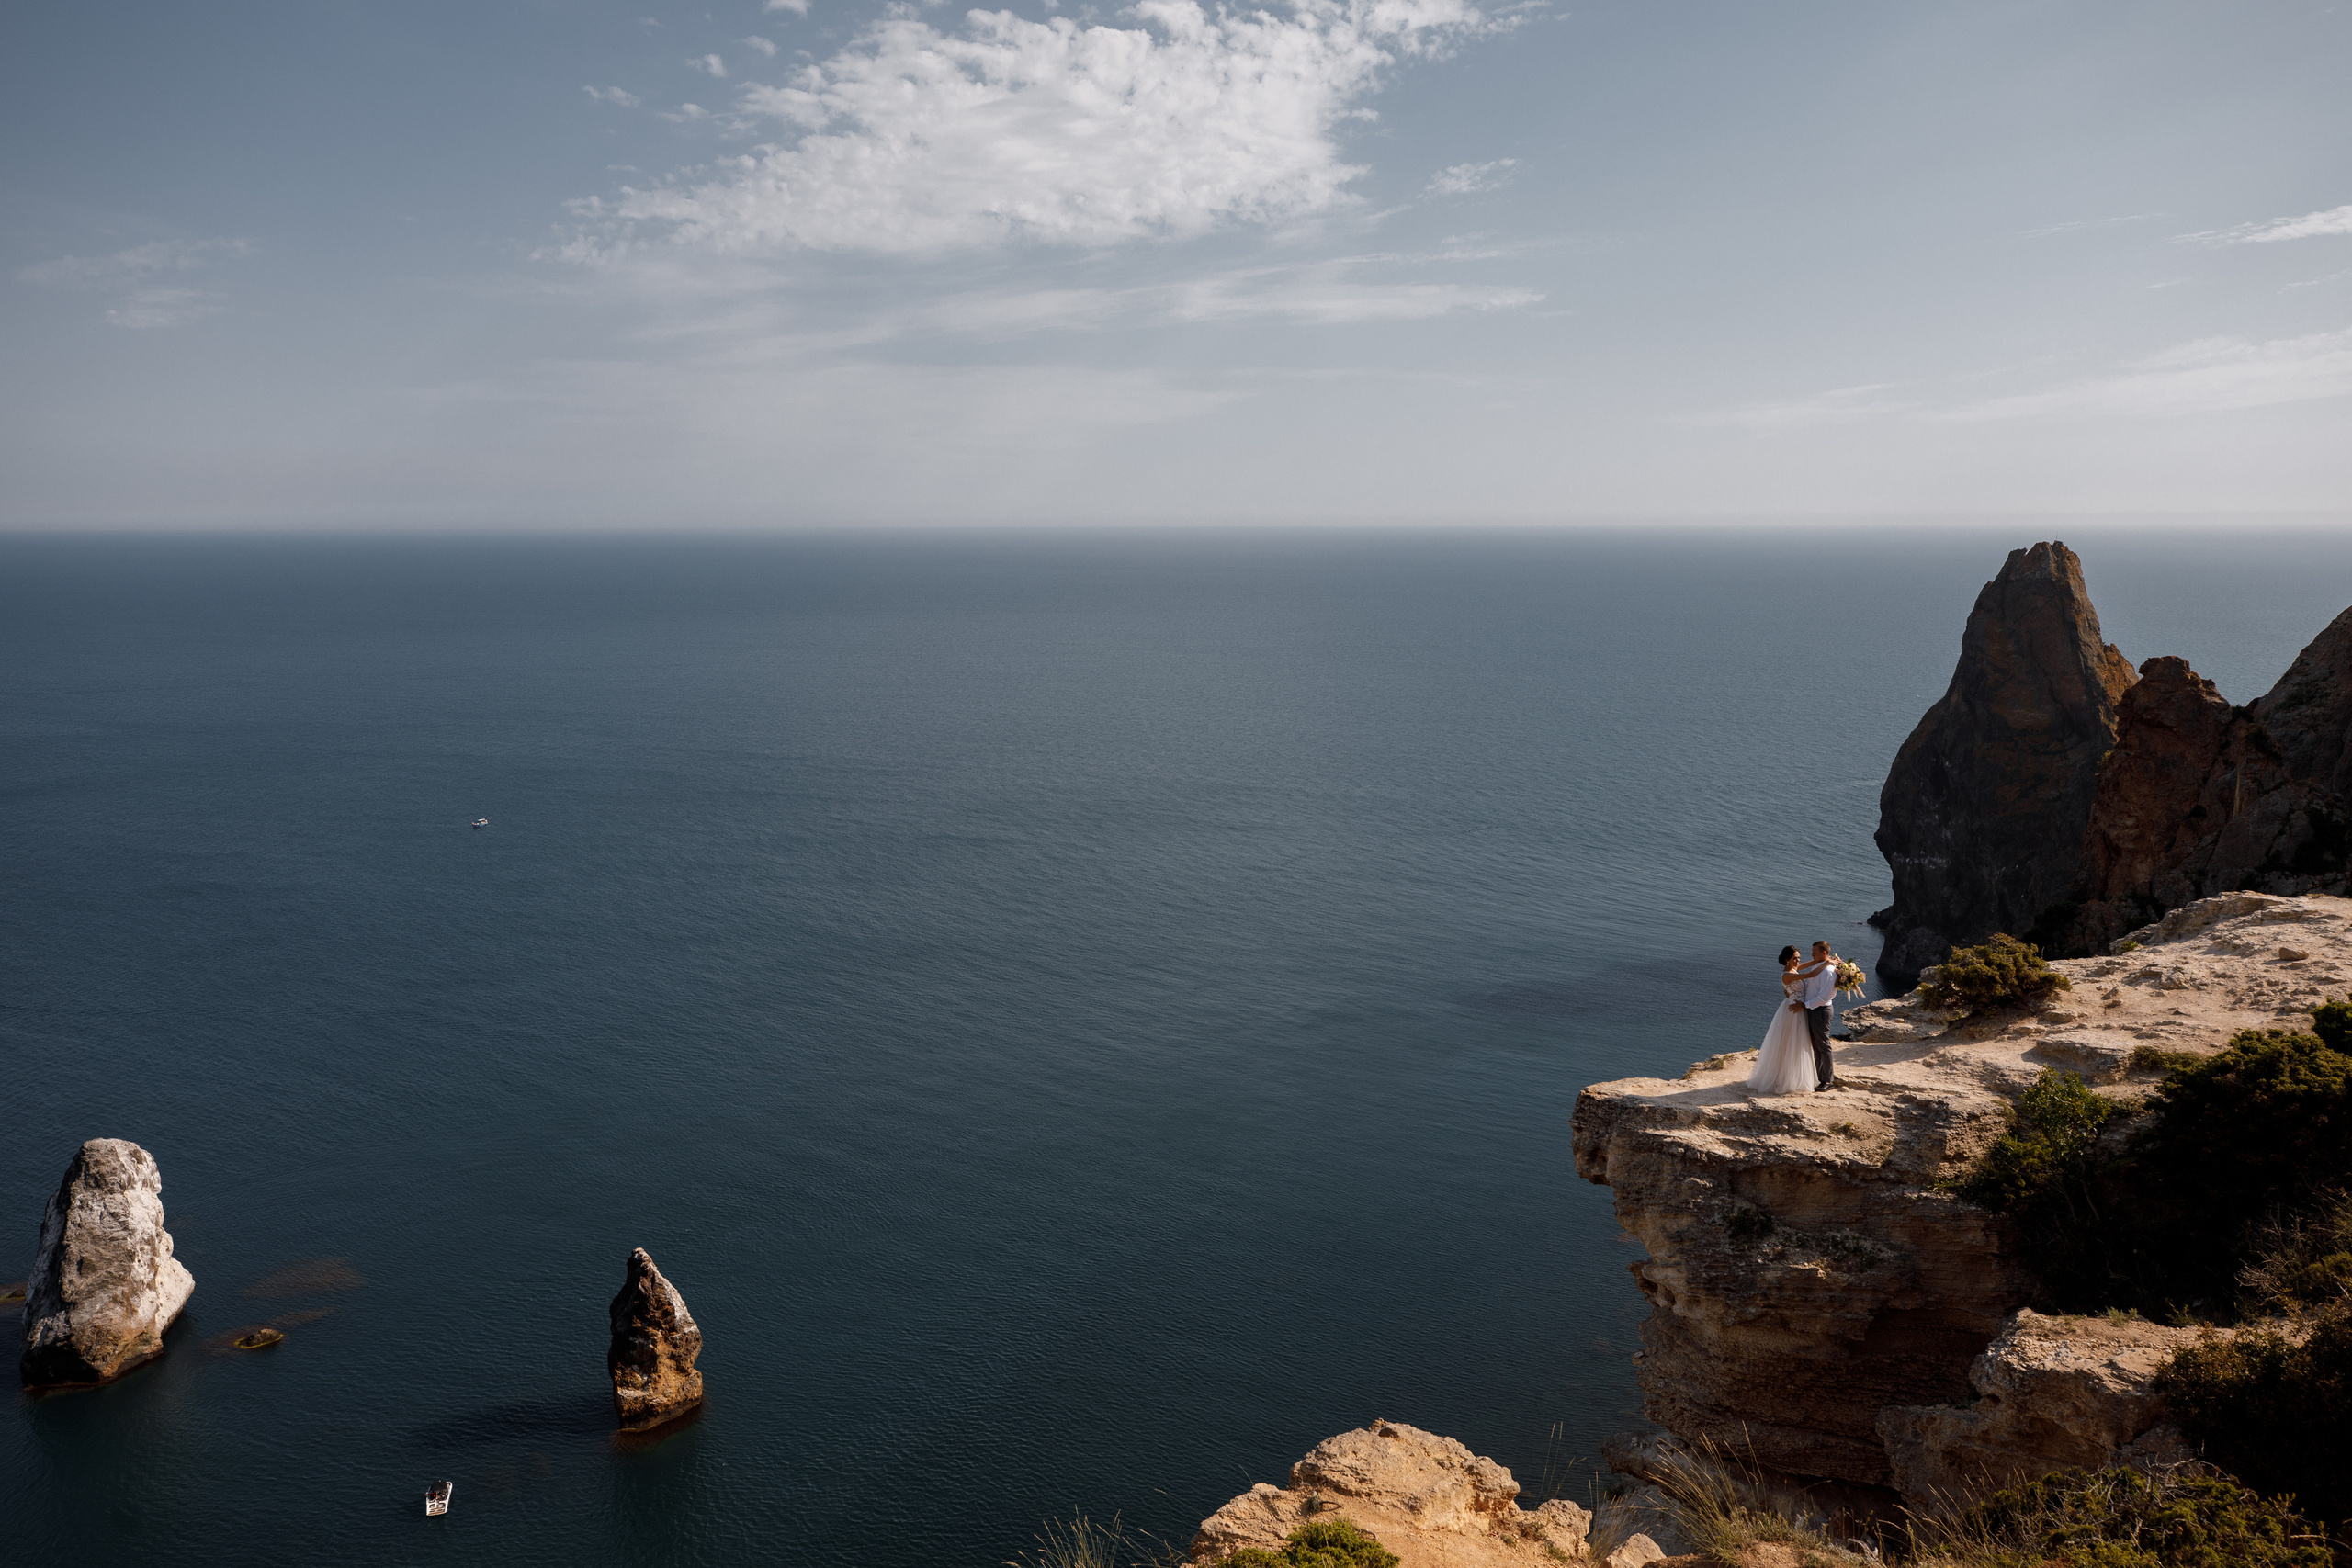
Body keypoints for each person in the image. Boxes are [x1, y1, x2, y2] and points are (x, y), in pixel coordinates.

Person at [1747, 946, 1818, 1095]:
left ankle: (1791, 1077)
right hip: (1792, 1010)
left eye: (1798, 957)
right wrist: (1828, 964)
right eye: (1795, 958)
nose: (1798, 960)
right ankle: (1784, 1079)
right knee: (1790, 1043)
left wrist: (1824, 960)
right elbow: (1811, 974)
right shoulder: (1787, 975)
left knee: (1797, 1044)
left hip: (1799, 1009)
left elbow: (1809, 965)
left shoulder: (1793, 970)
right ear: (1787, 959)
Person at [1791, 940, 1842, 1090]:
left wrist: (1804, 1005)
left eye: (1814, 953)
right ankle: (1820, 1078)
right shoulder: (1819, 966)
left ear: (1824, 953)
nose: (1812, 955)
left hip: (1820, 1011)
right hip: (1813, 1010)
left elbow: (1824, 997)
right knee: (1816, 1046)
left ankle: (1827, 1081)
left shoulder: (1827, 971)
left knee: (1823, 1047)